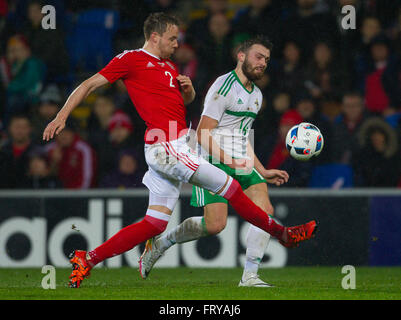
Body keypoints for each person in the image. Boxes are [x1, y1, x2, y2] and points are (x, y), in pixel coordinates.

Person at [42, 12, 317, 288]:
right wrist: (62, 116)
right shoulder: (131, 59)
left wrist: (189, 92)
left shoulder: (170, 67)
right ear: (154, 36)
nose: (177, 44)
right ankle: (283, 234)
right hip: (167, 146)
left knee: (154, 223)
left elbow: (180, 105)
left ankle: (86, 259)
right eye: (172, 38)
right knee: (230, 186)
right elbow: (89, 84)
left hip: (174, 145)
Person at [139, 36, 289, 287]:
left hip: (240, 160)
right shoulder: (223, 86)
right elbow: (203, 134)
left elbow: (243, 137)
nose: (262, 63)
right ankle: (161, 243)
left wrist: (262, 169)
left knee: (266, 211)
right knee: (215, 224)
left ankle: (250, 276)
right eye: (258, 57)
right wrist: (231, 161)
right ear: (241, 56)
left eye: (266, 60)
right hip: (213, 159)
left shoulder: (257, 96)